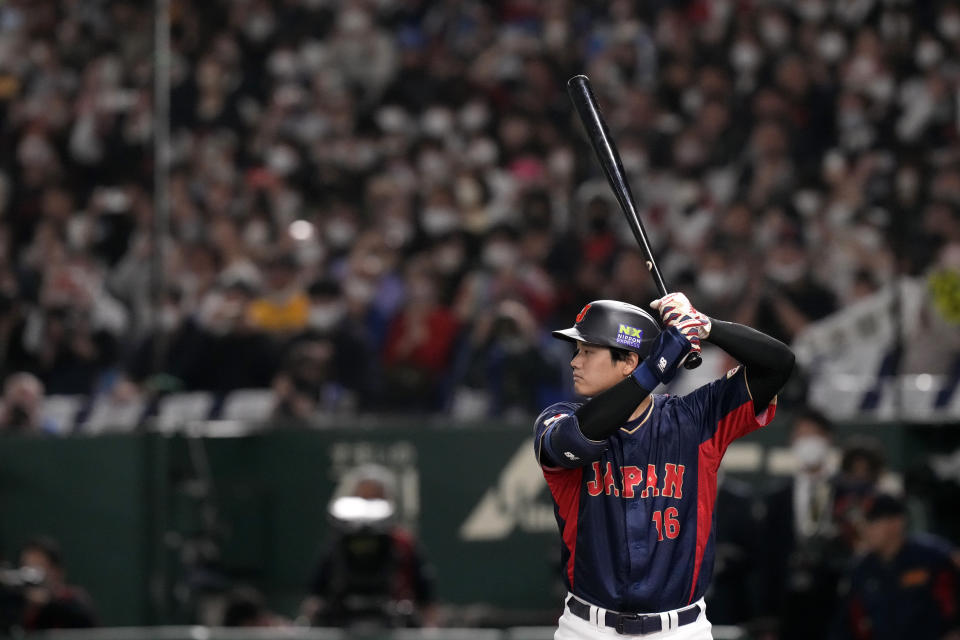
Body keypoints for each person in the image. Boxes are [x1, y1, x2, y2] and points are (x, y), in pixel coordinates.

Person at [534, 294, 794, 639]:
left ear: (628, 361)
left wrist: (706, 326)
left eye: (587, 351)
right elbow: (574, 442)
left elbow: (779, 365)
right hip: (587, 628)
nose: (574, 362)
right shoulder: (559, 418)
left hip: (680, 629)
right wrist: (656, 366)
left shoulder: (695, 417)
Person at [301, 464, 437, 629]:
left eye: (376, 499)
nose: (369, 506)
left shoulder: (404, 543)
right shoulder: (338, 544)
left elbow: (427, 599)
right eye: (363, 498)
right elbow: (315, 595)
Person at [762, 407, 849, 640]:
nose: (807, 442)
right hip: (788, 607)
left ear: (828, 439)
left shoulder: (846, 492)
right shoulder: (777, 497)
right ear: (792, 441)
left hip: (837, 603)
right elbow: (768, 557)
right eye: (802, 435)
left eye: (814, 434)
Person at [831, 494, 960, 640]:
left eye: (871, 521)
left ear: (896, 523)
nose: (863, 528)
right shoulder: (860, 569)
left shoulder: (932, 555)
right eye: (862, 522)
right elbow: (845, 624)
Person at [17, 536, 97, 630]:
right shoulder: (20, 606)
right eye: (26, 568)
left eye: (39, 567)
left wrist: (47, 603)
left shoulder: (72, 600)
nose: (31, 575)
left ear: (57, 571)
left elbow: (85, 619)